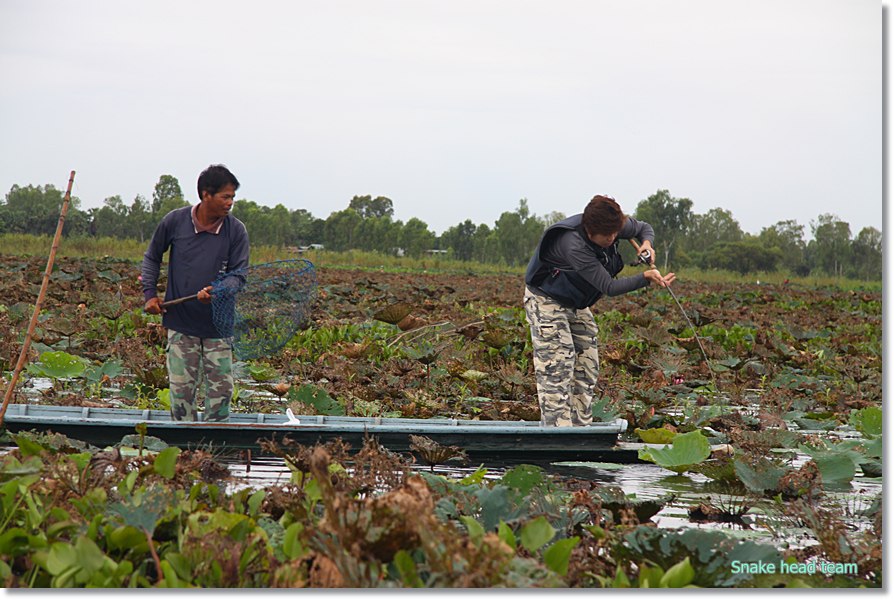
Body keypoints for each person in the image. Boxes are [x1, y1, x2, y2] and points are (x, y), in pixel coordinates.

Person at [523, 195, 675, 427]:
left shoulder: (613, 225)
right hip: (545, 300)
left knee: (588, 364)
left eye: (616, 233)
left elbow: (644, 228)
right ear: (590, 230)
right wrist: (646, 278)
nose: (613, 238)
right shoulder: (572, 244)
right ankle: (557, 430)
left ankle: (580, 427)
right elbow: (609, 287)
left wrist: (646, 244)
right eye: (607, 236)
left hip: (576, 304)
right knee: (558, 365)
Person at [141, 165, 249, 422]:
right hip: (181, 322)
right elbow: (152, 257)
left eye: (233, 197)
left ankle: (213, 451)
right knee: (181, 394)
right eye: (225, 197)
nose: (230, 203)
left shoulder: (236, 231)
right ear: (205, 195)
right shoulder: (175, 222)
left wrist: (219, 290)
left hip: (218, 326)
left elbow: (238, 275)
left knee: (221, 393)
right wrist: (149, 294)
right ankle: (182, 452)